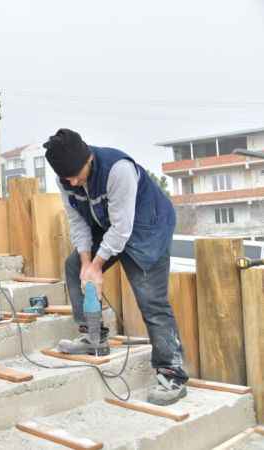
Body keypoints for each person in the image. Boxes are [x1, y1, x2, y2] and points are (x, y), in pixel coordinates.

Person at [43, 128, 188, 406]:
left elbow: (123, 229)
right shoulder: (67, 178)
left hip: (147, 228)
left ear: (88, 160)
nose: (72, 181)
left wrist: (98, 265)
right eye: (66, 178)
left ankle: (172, 373)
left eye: (76, 175)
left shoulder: (117, 170)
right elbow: (77, 223)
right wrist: (87, 264)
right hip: (108, 225)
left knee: (151, 300)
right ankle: (93, 337)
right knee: (74, 268)